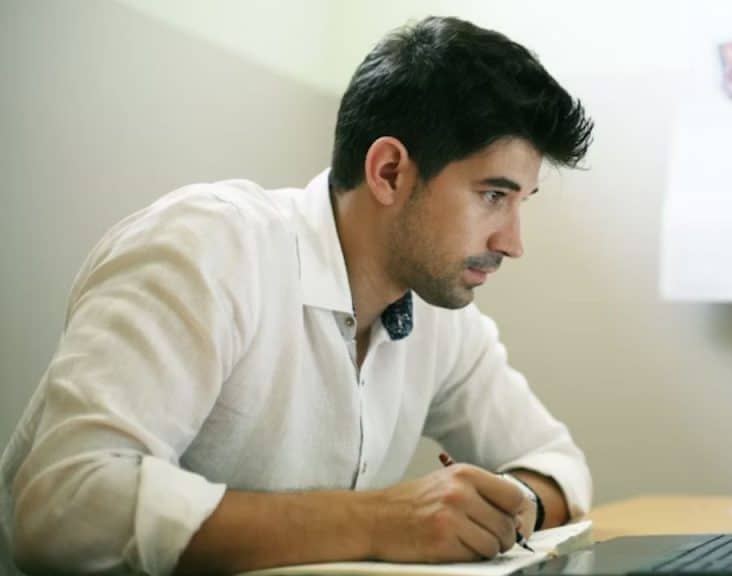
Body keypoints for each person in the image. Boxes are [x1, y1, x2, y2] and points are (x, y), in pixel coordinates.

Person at [0, 15, 594, 576]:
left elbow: (559, 464)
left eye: (522, 202)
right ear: (389, 172)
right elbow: (62, 504)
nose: (513, 243)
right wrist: (384, 522)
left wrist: (508, 506)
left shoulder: (441, 317)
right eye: (494, 195)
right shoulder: (207, 248)